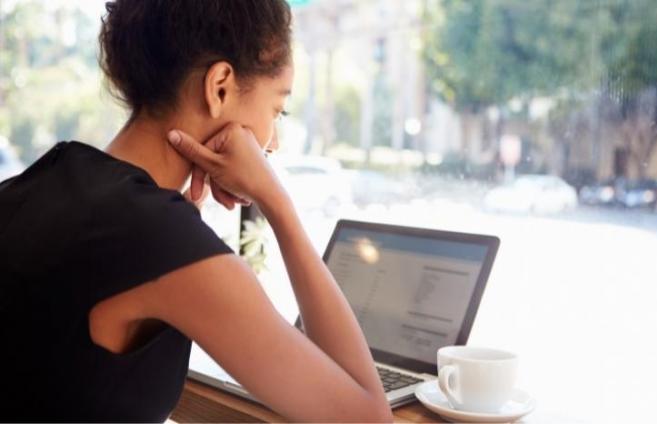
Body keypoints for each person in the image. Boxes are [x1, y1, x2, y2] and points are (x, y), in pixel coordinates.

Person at [0, 0, 392, 422]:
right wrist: (276, 202)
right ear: (219, 86)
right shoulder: (159, 238)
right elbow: (369, 416)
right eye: (277, 110)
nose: (272, 142)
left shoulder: (38, 183)